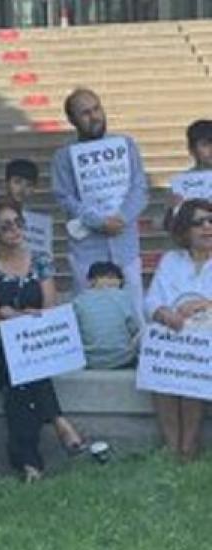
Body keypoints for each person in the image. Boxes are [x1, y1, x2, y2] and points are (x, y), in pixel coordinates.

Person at [0, 202, 88, 482]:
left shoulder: (40, 260)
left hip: (34, 342)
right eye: (6, 226)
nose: (15, 230)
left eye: (18, 223)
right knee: (21, 366)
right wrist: (15, 317)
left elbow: (49, 307)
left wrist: (18, 315)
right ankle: (59, 421)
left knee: (21, 379)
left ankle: (29, 463)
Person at [51, 88, 148, 315]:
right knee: (90, 314)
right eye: (85, 113)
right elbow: (65, 197)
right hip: (87, 249)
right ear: (72, 120)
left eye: (97, 108)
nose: (94, 116)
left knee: (134, 310)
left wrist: (122, 218)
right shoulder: (63, 156)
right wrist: (98, 221)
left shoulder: (126, 145)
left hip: (125, 246)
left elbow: (140, 188)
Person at [144, 199, 212, 461]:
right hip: (172, 332)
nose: (207, 227)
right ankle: (172, 446)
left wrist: (204, 304)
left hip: (205, 338)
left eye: (211, 221)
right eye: (198, 223)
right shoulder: (171, 260)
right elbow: (150, 301)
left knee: (189, 363)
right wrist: (164, 313)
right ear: (184, 230)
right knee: (162, 359)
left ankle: (188, 446)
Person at [72, 262, 140, 370]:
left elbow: (74, 332)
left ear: (90, 281)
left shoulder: (78, 301)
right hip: (122, 359)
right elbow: (135, 329)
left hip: (90, 361)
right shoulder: (123, 297)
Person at [163, 120, 212, 231]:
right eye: (205, 145)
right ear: (191, 149)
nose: (211, 150)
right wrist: (172, 208)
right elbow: (168, 226)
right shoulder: (180, 183)